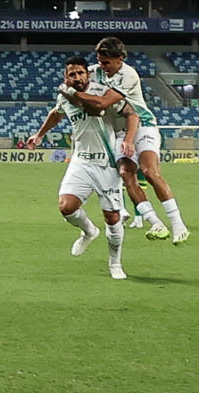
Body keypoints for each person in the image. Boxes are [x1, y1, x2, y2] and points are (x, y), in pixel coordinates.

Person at [57, 37, 190, 245]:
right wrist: (69, 85)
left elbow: (101, 103)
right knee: (125, 173)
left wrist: (71, 91)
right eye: (99, 61)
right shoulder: (94, 71)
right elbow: (74, 79)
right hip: (119, 131)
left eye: (106, 62)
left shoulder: (128, 75)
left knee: (149, 171)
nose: (102, 66)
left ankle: (178, 224)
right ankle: (155, 222)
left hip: (142, 124)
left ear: (120, 59)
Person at [25, 57, 140, 280]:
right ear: (65, 77)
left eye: (80, 73)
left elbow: (131, 114)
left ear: (88, 74)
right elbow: (56, 114)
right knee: (66, 206)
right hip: (81, 161)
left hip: (105, 163)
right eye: (72, 74)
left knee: (113, 218)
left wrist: (129, 139)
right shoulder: (64, 97)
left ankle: (115, 263)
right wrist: (39, 135)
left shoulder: (104, 92)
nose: (77, 77)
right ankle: (89, 231)